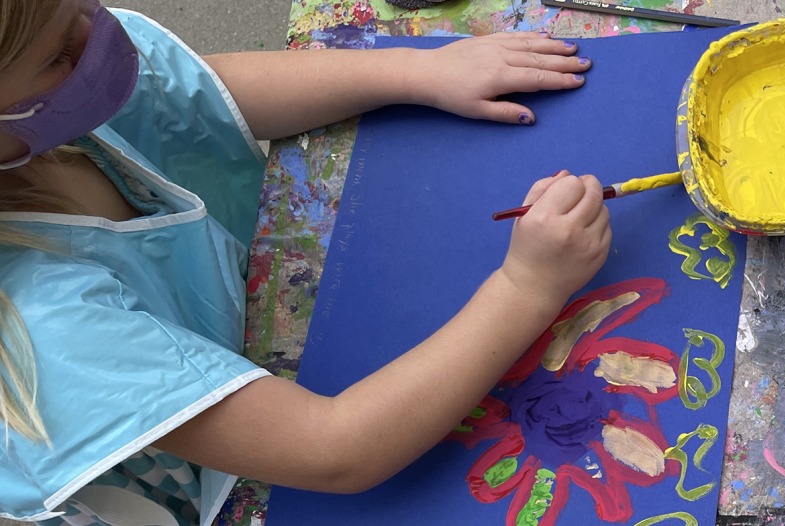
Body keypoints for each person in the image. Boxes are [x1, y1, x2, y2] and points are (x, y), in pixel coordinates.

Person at [0, 1, 612, 524]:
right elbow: (336, 450)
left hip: (224, 323)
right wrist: (528, 286)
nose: (97, 33)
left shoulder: (48, 82)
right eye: (60, 54)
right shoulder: (43, 330)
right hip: (205, 465)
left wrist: (419, 70)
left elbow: (195, 93)